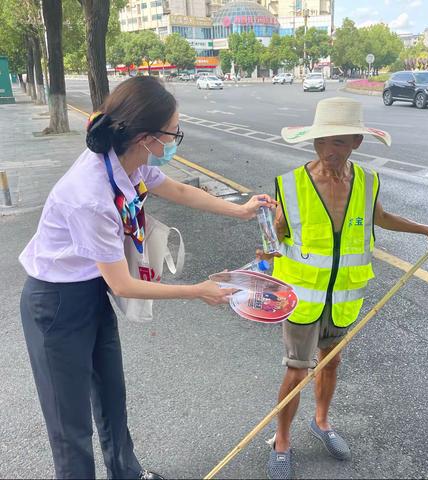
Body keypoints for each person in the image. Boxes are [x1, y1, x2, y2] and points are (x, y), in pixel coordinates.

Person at [18, 76, 275, 480]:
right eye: (173, 133)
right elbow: (122, 284)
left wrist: (241, 211)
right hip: (54, 304)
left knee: (111, 396)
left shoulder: (129, 162)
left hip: (89, 289)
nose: (174, 141)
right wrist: (197, 291)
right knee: (70, 426)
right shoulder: (90, 193)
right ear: (146, 137)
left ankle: (126, 472)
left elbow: (181, 191)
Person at [263, 97, 428, 479]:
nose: (328, 151)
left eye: (339, 143)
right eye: (322, 142)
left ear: (356, 143)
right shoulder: (290, 184)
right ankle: (282, 441)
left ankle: (322, 422)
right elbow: (271, 239)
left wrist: (427, 230)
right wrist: (262, 272)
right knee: (297, 372)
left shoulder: (366, 181)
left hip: (343, 296)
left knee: (331, 364)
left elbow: (381, 218)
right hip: (301, 297)